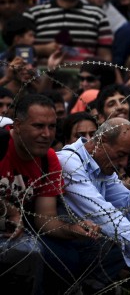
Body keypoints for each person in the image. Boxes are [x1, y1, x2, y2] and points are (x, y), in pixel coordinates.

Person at [0, 95, 100, 293]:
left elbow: (45, 218)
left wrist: (74, 229)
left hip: (18, 229)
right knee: (30, 254)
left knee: (77, 253)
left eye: (52, 127)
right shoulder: (1, 145)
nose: (47, 134)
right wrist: (8, 210)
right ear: (17, 126)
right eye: (38, 126)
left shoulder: (48, 159)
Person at [57, 118, 130, 289]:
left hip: (87, 245)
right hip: (66, 244)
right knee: (111, 238)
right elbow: (101, 213)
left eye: (128, 157)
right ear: (101, 141)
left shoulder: (103, 169)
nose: (123, 164)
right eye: (121, 155)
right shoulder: (69, 163)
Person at [24, 0, 113, 63]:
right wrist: (42, 49)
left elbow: (105, 59)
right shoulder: (34, 15)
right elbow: (19, 55)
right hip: (41, 77)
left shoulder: (97, 16)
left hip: (83, 78)